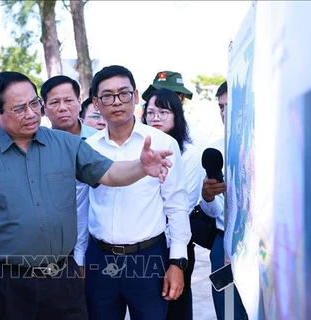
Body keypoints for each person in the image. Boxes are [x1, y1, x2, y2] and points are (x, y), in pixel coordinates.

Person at [0, 71, 176, 320]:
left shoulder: (66, 144)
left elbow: (110, 174)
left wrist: (141, 167)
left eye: (34, 103)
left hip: (62, 279)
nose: (32, 113)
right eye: (20, 108)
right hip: (5, 282)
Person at [75, 65, 191, 320]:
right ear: (96, 102)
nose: (117, 102)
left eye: (124, 93)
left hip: (148, 258)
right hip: (100, 259)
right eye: (107, 96)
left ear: (136, 96)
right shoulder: (88, 149)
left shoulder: (162, 143)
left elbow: (176, 206)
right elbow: (81, 209)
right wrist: (80, 260)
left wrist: (177, 262)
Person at [142, 88, 203, 320]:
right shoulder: (139, 151)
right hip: (146, 244)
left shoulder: (188, 153)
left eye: (163, 112)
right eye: (151, 112)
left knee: (176, 308)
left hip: (175, 242)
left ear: (177, 116)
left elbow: (181, 206)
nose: (156, 118)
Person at [199, 81, 248, 320]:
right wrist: (208, 196)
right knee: (229, 313)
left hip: (264, 246)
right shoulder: (214, 152)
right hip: (224, 244)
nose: (224, 113)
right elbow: (211, 211)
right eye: (221, 106)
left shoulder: (268, 146)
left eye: (231, 106)